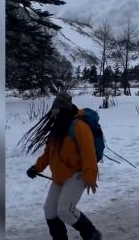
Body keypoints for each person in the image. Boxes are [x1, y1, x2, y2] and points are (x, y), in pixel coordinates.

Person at [24, 92, 102, 240]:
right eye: (54, 108)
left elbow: (89, 154)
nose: (53, 111)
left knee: (65, 210)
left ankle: (92, 234)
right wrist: (36, 168)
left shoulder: (79, 127)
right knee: (50, 211)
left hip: (77, 175)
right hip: (60, 177)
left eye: (56, 108)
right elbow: (49, 153)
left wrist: (90, 175)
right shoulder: (57, 127)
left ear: (62, 109)